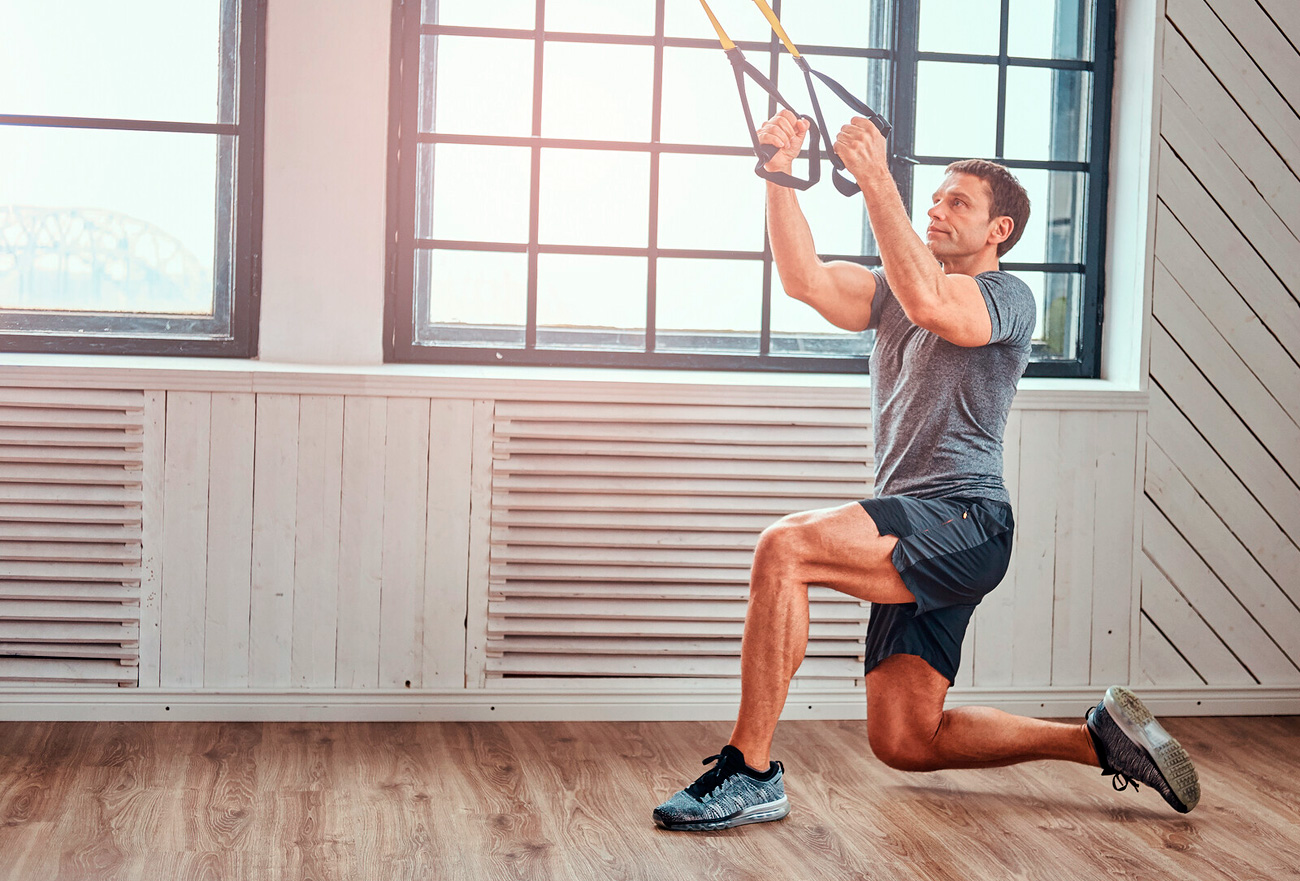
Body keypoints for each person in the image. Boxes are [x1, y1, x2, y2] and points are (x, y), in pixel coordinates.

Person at [652, 111, 1200, 831]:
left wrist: (877, 176)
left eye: (957, 203)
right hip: (915, 520)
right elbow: (804, 278)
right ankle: (1095, 737)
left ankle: (748, 771)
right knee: (907, 739)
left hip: (966, 519)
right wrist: (780, 173)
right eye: (935, 198)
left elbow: (934, 303)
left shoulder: (1008, 299)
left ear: (998, 230)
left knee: (784, 547)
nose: (938, 209)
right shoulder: (893, 291)